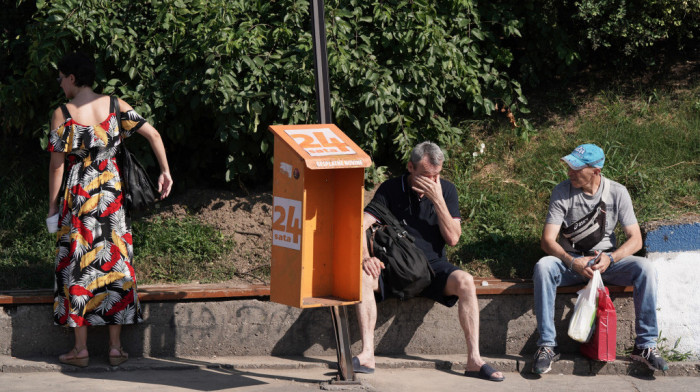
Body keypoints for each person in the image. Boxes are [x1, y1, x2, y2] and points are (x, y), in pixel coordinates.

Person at [47, 52, 173, 367]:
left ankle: (80, 351)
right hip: (112, 196)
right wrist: (165, 171)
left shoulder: (62, 114)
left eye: (61, 77)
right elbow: (153, 134)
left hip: (79, 196)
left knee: (78, 265)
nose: (60, 83)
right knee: (114, 263)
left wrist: (52, 207)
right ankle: (116, 349)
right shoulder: (116, 107)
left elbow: (56, 167)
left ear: (72, 78)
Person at [354, 141, 505, 382]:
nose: (432, 181)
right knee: (362, 277)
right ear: (410, 167)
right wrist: (365, 257)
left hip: (433, 267)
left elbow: (453, 238)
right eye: (426, 175)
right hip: (395, 265)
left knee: (466, 281)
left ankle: (474, 360)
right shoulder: (391, 189)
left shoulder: (446, 190)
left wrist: (438, 200)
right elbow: (360, 224)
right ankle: (367, 354)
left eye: (437, 175)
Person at [532, 143, 667, 374]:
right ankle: (546, 345)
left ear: (596, 170)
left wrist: (611, 258)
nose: (569, 172)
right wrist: (572, 261)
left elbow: (635, 239)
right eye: (569, 167)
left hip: (606, 263)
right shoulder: (562, 191)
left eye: (576, 168)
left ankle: (645, 345)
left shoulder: (617, 192)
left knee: (645, 268)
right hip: (572, 263)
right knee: (544, 267)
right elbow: (547, 240)